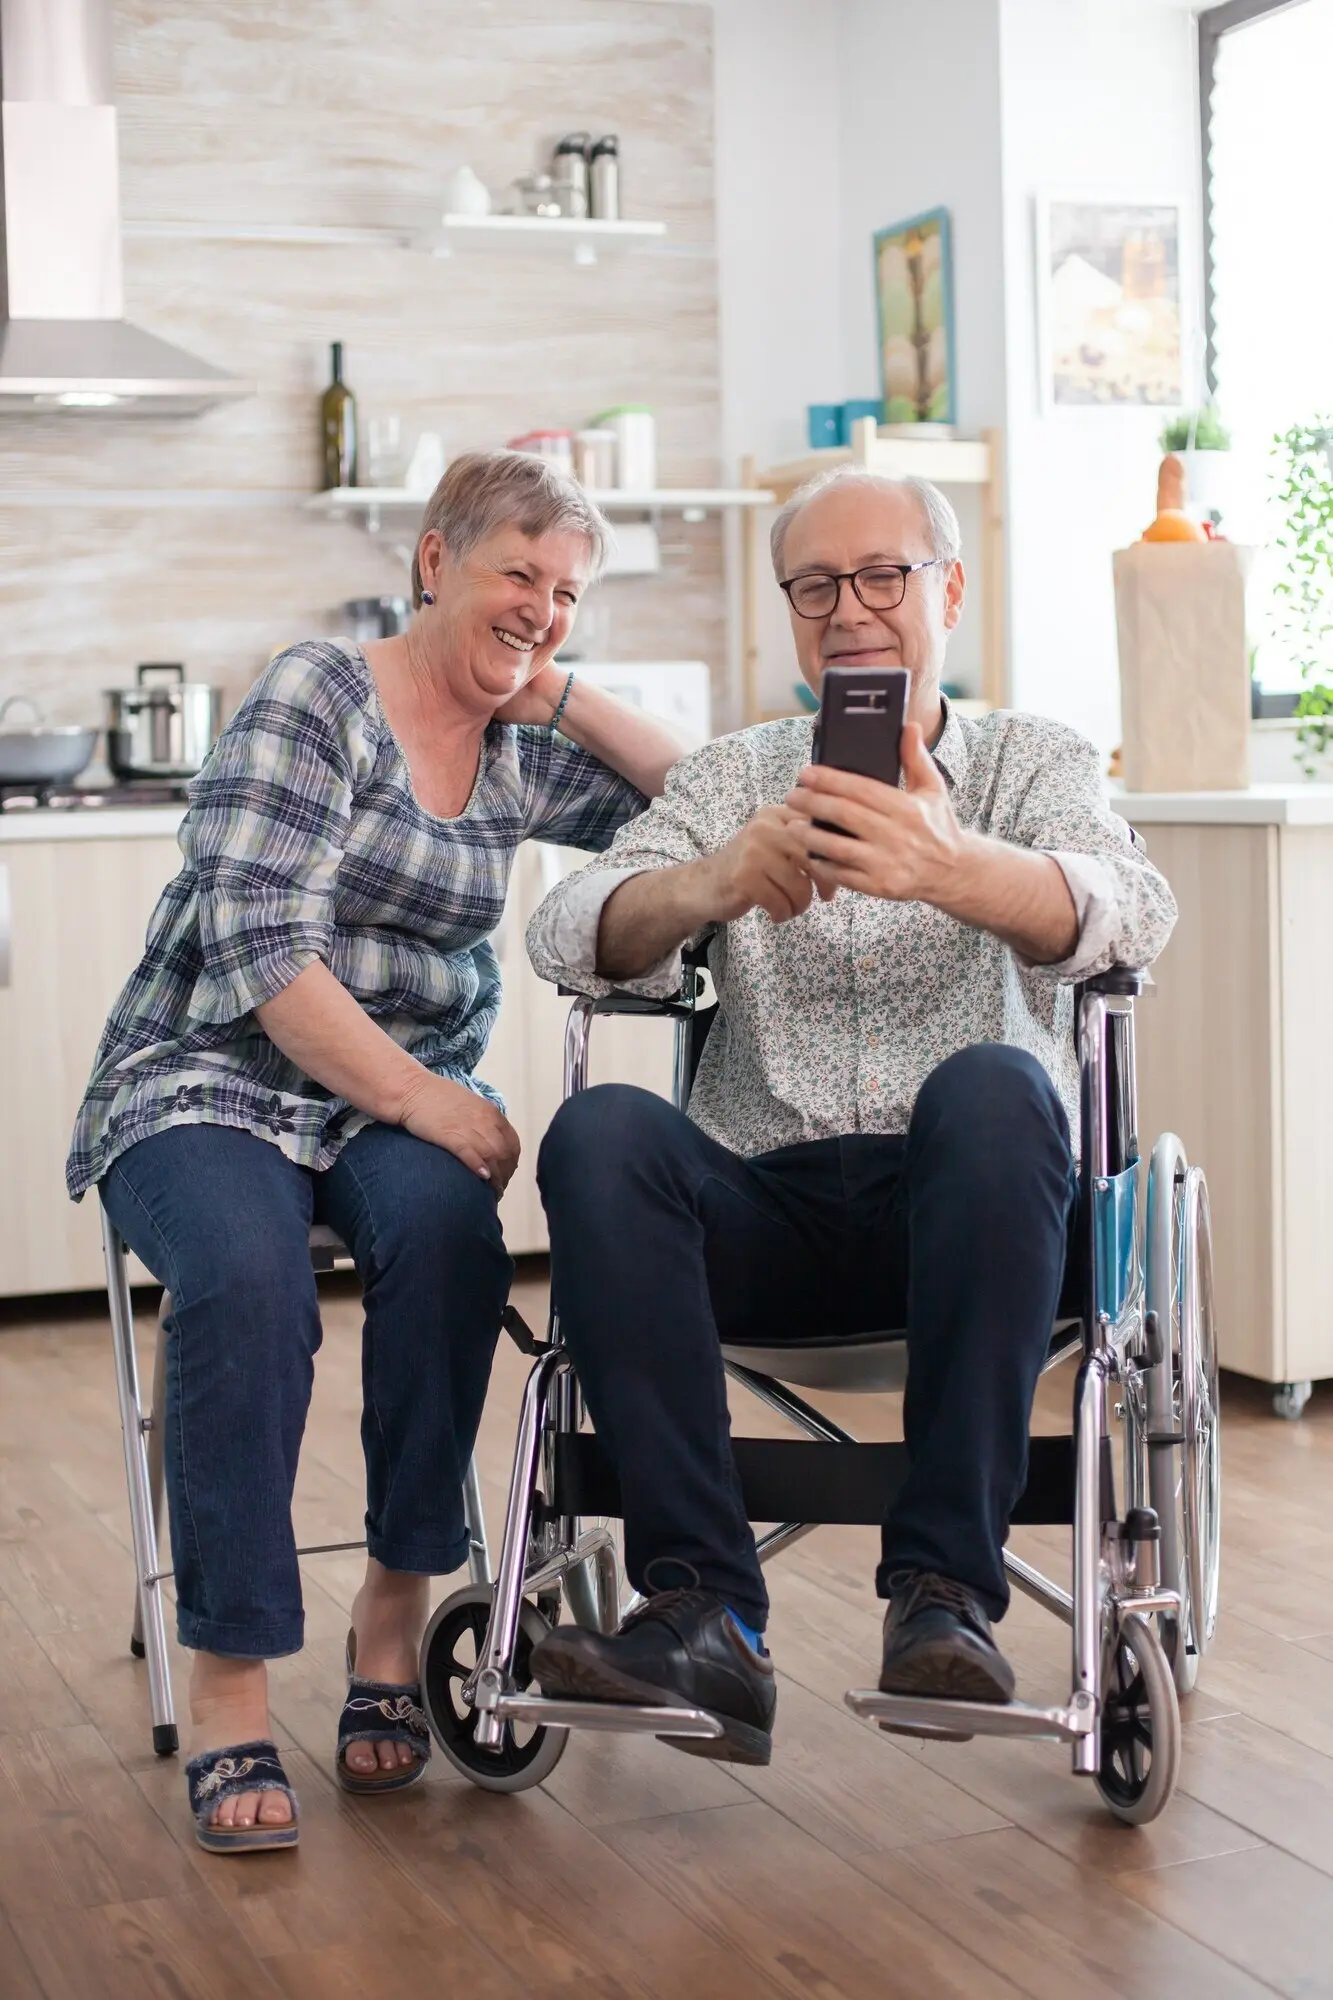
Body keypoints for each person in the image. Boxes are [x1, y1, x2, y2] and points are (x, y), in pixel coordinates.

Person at [67, 451, 685, 1852]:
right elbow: (260, 949)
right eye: (516, 574)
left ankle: (395, 1620)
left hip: (376, 1101)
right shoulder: (317, 694)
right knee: (245, 1276)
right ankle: (230, 1683)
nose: (539, 606)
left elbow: (696, 799)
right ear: (432, 562)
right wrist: (424, 1096)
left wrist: (560, 689)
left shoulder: (519, 744)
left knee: (453, 1246)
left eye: (566, 592)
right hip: (210, 1072)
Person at [524, 465, 1177, 1766]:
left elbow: (1134, 916)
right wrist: (706, 882)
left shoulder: (1031, 760)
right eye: (815, 587)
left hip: (985, 1211)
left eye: (883, 576)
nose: (850, 611)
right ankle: (704, 1611)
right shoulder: (731, 776)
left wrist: (959, 869)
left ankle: (944, 1594)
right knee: (597, 1135)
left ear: (949, 587)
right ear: (789, 613)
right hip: (767, 1207)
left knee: (996, 1082)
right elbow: (564, 933)